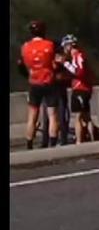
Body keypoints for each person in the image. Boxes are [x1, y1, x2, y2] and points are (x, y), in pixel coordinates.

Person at [18, 20, 60, 149]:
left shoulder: (25, 47)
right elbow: (57, 63)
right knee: (52, 114)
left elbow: (21, 65)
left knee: (32, 115)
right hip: (48, 81)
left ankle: (29, 144)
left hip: (34, 82)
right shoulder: (50, 44)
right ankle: (53, 143)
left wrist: (29, 76)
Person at [61, 35, 96, 144]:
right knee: (86, 116)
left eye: (65, 47)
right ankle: (93, 139)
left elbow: (79, 72)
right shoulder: (79, 56)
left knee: (78, 117)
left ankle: (79, 142)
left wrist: (65, 64)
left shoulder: (78, 56)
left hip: (80, 89)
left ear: (69, 46)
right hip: (85, 89)